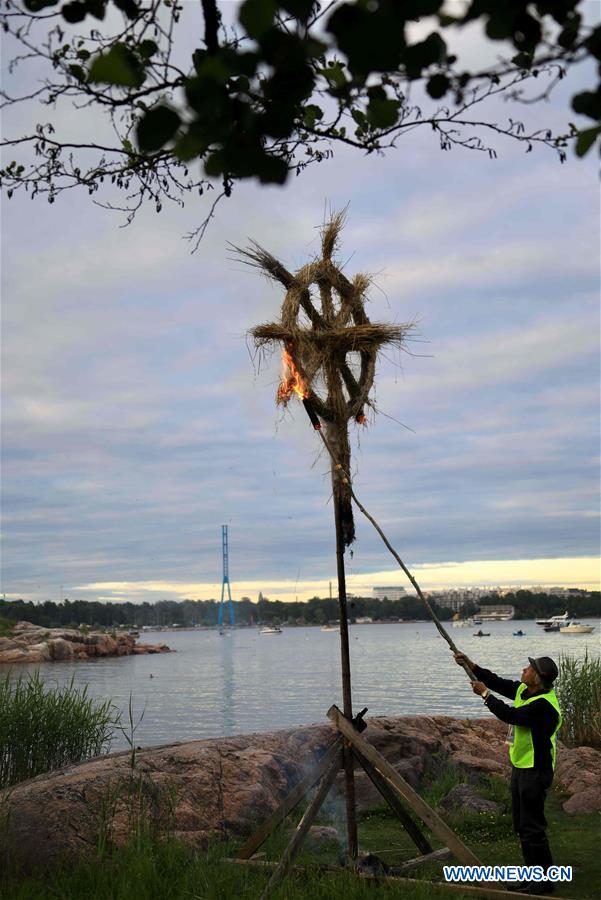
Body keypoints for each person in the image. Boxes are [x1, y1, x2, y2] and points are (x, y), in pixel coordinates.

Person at [454, 652, 562, 896]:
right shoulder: (526, 691)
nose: (524, 669)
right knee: (522, 826)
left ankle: (544, 882)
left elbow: (510, 715)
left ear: (538, 678)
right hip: (522, 766)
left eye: (529, 668)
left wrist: (484, 694)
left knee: (533, 827)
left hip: (536, 770)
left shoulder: (544, 706)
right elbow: (498, 682)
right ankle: (532, 877)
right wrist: (470, 664)